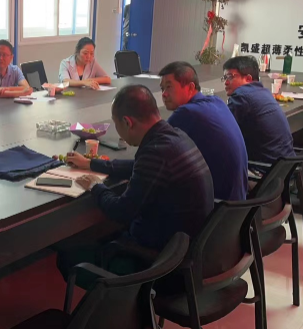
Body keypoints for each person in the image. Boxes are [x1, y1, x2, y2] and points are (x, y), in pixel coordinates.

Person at [55, 85, 214, 284]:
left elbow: (121, 211)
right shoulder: (174, 137)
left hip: (161, 266)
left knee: (67, 256)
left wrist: (96, 186)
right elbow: (139, 165)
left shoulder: (155, 153)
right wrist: (91, 164)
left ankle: (116, 300)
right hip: (184, 253)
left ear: (127, 122)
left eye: (116, 124)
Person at [159, 61, 248, 201]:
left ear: (190, 87)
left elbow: (154, 153)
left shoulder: (186, 113)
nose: (164, 94)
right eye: (162, 88)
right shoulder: (217, 101)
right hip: (237, 203)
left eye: (169, 87)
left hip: (218, 204)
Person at [223, 56, 295, 165]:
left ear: (248, 78)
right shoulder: (264, 92)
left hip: (265, 169)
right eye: (224, 78)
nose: (226, 82)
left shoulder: (241, 96)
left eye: (230, 77)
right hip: (286, 166)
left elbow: (222, 130)